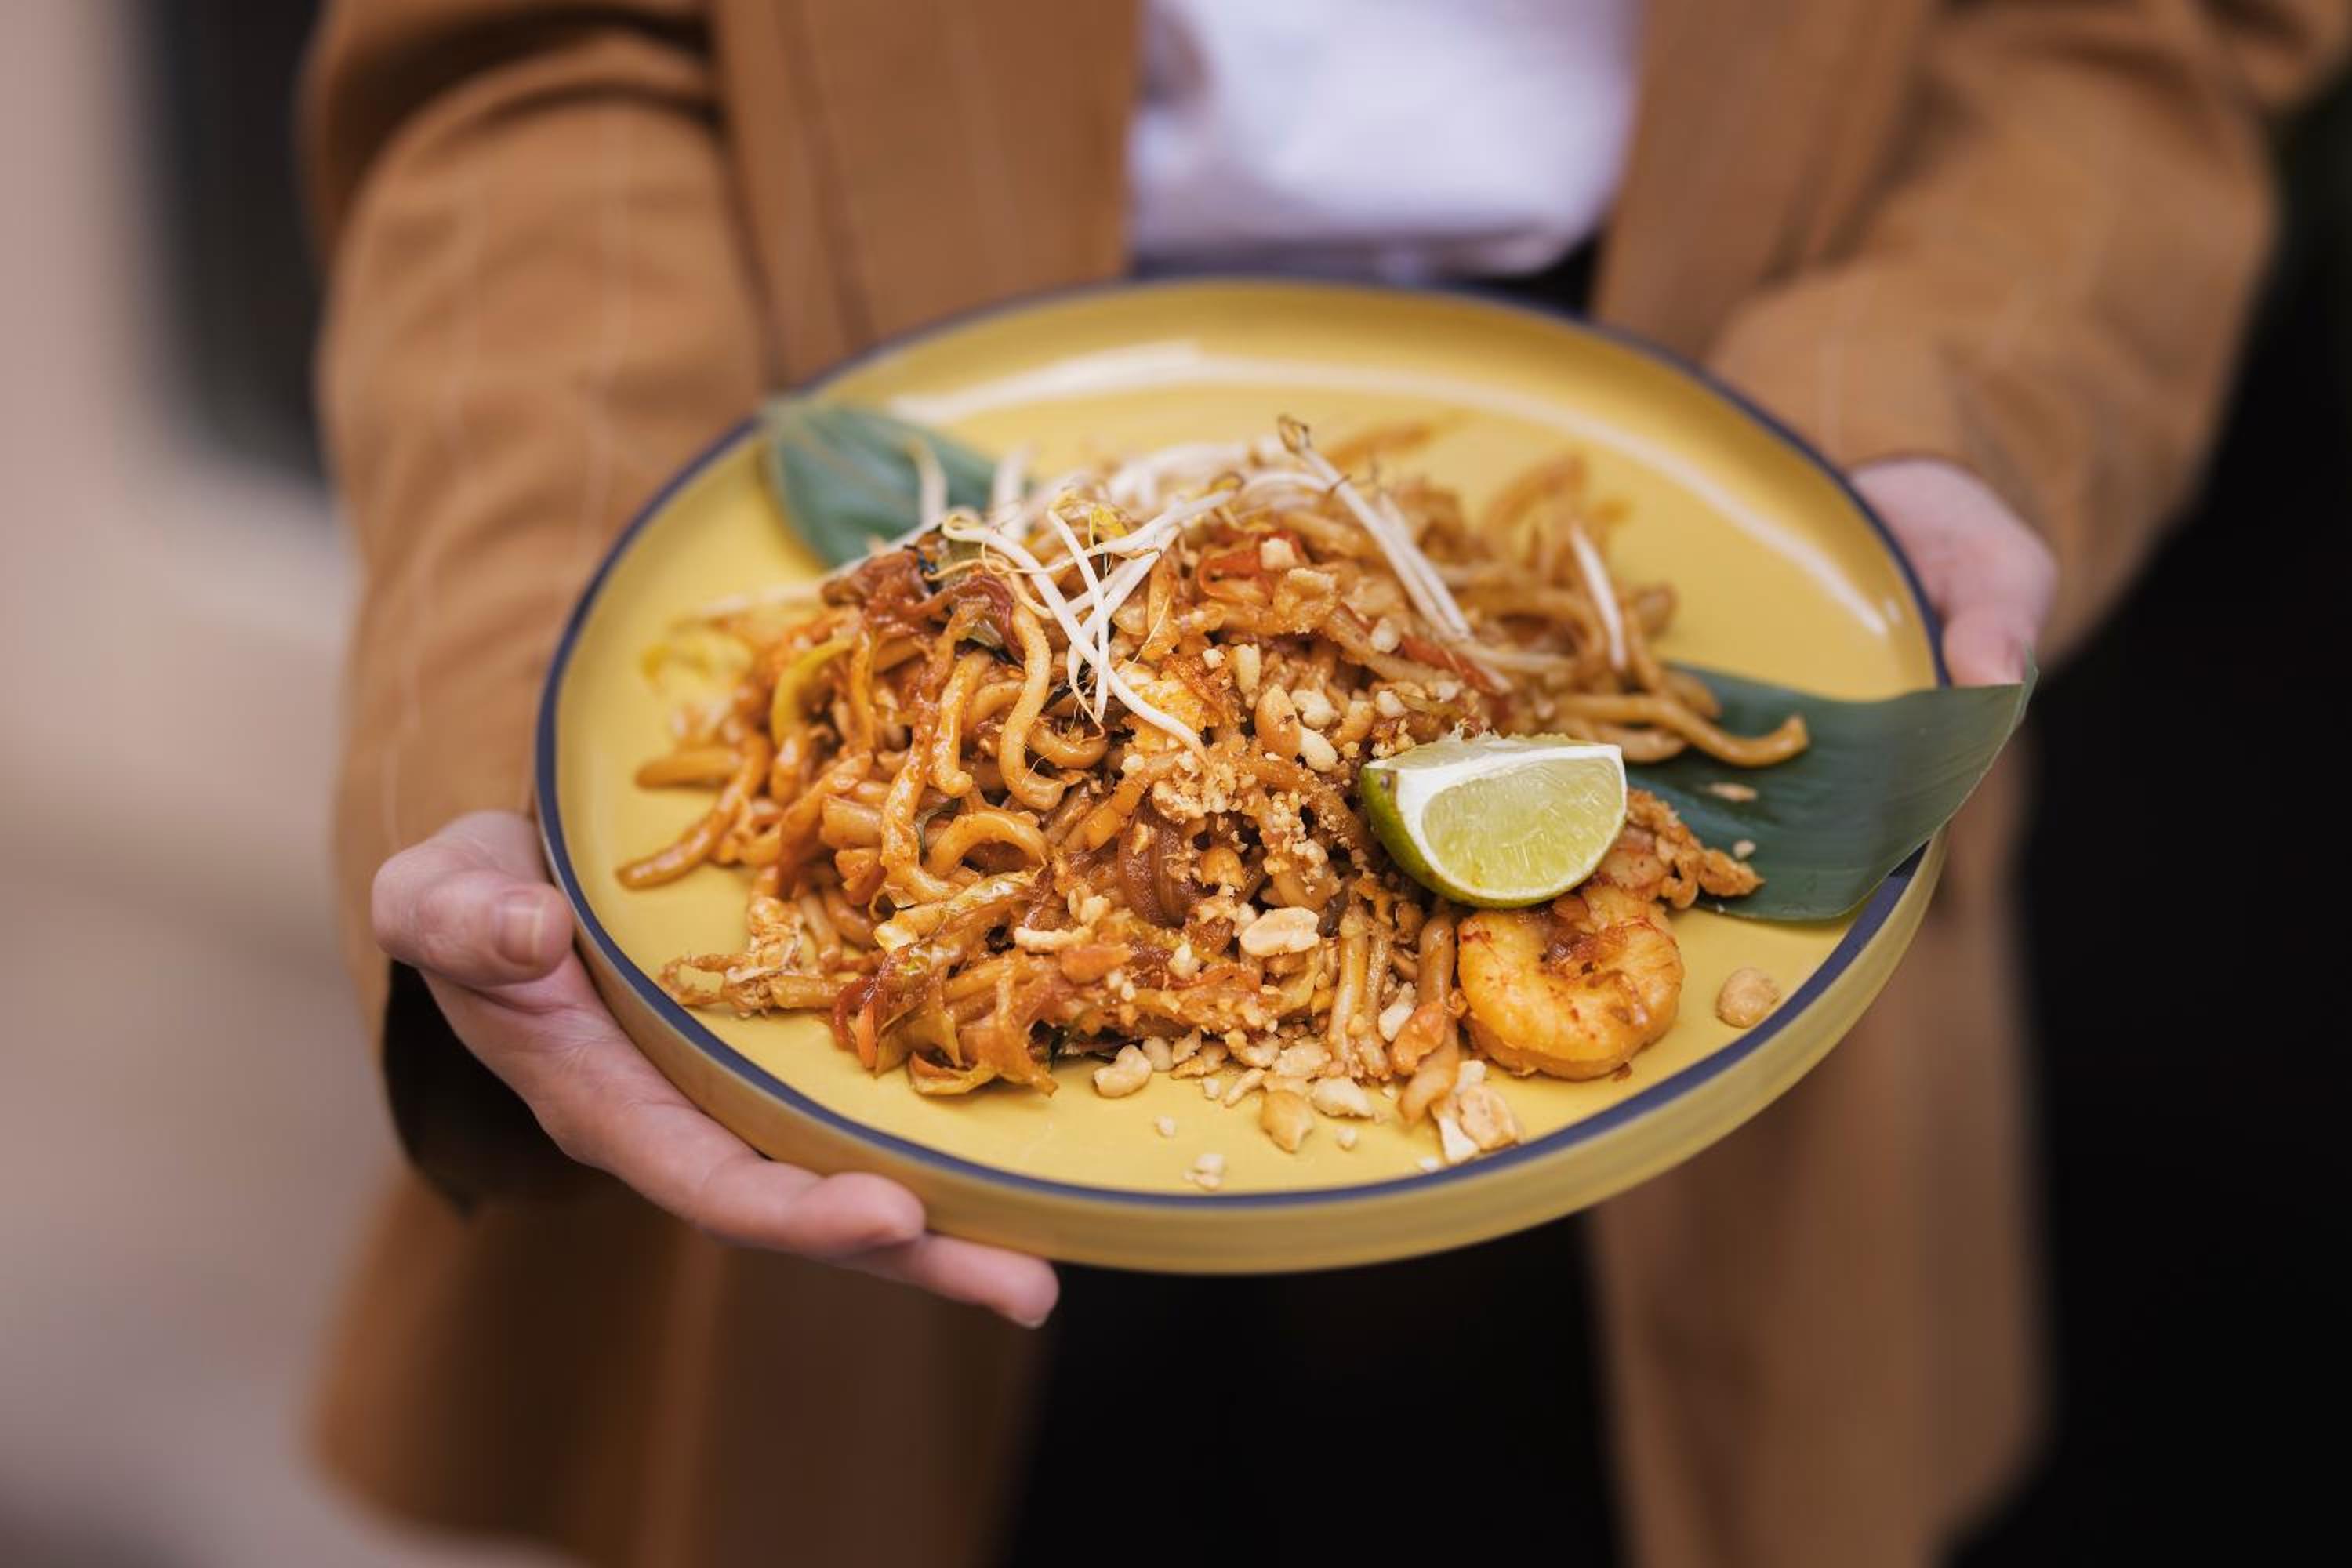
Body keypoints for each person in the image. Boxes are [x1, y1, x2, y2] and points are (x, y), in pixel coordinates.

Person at [303, 2, 2347, 1564]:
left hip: (1685, 454)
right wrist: (525, 664)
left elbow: (2131, 37)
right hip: (928, 456)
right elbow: (530, 64)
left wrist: (1924, 399)